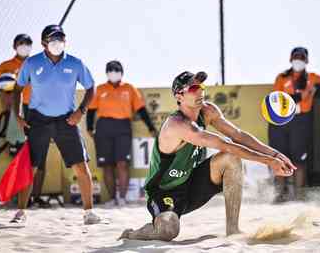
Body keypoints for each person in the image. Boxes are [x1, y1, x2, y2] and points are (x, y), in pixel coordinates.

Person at [119, 71, 296, 241]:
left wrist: (275, 154)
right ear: (179, 96)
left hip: (192, 183)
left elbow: (238, 135)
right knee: (168, 230)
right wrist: (269, 161)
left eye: (201, 86)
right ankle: (132, 234)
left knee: (230, 159)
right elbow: (226, 144)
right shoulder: (177, 124)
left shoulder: (208, 110)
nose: (200, 91)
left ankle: (233, 229)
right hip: (165, 191)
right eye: (193, 88)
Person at [11, 24, 101, 225]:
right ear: (44, 43)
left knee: (81, 165)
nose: (57, 42)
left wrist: (81, 111)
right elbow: (17, 90)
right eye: (53, 38)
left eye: (61, 38)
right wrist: (17, 115)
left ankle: (89, 212)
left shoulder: (76, 63)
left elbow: (90, 87)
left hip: (66, 119)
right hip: (38, 119)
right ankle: (20, 212)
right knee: (30, 166)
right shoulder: (32, 63)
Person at [270, 47, 320, 202]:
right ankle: (281, 194)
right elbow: (278, 99)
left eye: (301, 57)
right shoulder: (282, 78)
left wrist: (315, 89)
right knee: (280, 157)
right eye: (295, 56)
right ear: (290, 59)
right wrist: (301, 95)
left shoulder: (311, 78)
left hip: (301, 121)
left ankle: (299, 196)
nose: (298, 60)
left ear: (306, 60)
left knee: (299, 159)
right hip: (282, 121)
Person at [87, 60, 156, 207]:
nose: (113, 73)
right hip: (103, 127)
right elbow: (91, 111)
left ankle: (122, 198)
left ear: (121, 73)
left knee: (122, 163)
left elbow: (141, 110)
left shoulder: (129, 88)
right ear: (107, 73)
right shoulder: (100, 89)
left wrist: (150, 127)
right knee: (107, 165)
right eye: (110, 70)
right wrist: (89, 127)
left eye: (116, 70)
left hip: (123, 126)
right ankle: (112, 198)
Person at [0, 34, 33, 155]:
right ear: (14, 46)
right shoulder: (5, 66)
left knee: (34, 151)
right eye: (21, 43)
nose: (24, 46)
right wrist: (5, 92)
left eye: (27, 44)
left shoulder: (37, 65)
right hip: (16, 111)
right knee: (18, 149)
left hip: (34, 110)